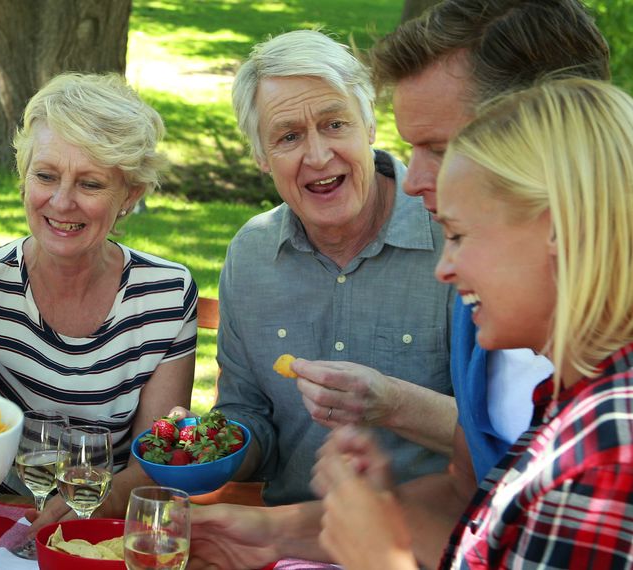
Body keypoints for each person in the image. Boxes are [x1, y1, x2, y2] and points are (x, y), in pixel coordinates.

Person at [187, 4, 611, 568]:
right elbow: (466, 492)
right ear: (262, 157)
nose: (417, 180)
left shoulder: (609, 422)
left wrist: (377, 555)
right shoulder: (503, 315)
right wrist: (267, 529)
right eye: (288, 135)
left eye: (441, 148)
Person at [318, 77, 633, 570]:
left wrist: (382, 559)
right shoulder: (569, 401)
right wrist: (383, 510)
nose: (445, 268)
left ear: (558, 230)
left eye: (460, 235)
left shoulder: (606, 452)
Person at [0, 73, 196, 530]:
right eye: (46, 176)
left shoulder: (165, 292)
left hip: (102, 524)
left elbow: (155, 460)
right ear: (24, 178)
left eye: (90, 184)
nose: (62, 203)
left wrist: (97, 505)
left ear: (130, 196)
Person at [208, 29, 455, 510]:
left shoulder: (452, 235)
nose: (318, 156)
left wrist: (395, 403)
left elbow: (510, 437)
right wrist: (207, 448)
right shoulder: (252, 254)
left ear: (370, 127)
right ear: (261, 155)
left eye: (335, 124)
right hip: (286, 538)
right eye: (288, 136)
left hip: (430, 540)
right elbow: (246, 414)